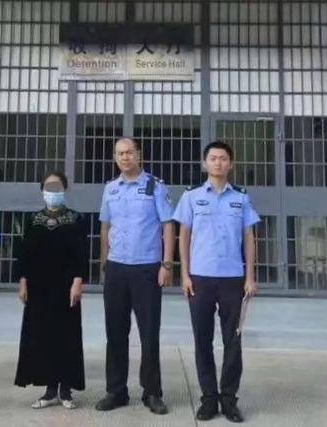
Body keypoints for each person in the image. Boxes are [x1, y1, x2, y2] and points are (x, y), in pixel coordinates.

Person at [173, 141, 260, 423]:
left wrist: (250, 277)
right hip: (200, 277)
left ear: (230, 164)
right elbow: (183, 236)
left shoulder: (241, 198)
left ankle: (229, 400)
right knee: (203, 340)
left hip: (232, 278)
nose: (218, 163)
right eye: (213, 158)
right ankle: (209, 399)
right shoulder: (192, 196)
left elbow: (248, 237)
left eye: (223, 158)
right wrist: (184, 275)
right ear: (204, 163)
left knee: (233, 341)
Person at [95, 137, 174, 415]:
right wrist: (104, 263)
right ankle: (116, 391)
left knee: (149, 333)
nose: (125, 157)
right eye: (120, 153)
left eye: (129, 152)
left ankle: (152, 392)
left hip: (146, 268)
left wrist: (166, 264)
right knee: (115, 332)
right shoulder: (110, 189)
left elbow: (167, 225)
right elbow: (105, 227)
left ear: (138, 154)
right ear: (115, 158)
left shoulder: (155, 186)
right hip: (116, 268)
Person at [14, 172, 87, 410]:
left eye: (57, 187)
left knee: (66, 336)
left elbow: (81, 253)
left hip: (66, 287)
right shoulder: (33, 220)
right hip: (39, 288)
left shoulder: (76, 219)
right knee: (42, 336)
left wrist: (78, 280)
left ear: (65, 189)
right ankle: (49, 391)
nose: (52, 191)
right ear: (42, 190)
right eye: (48, 187)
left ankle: (65, 390)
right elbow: (25, 254)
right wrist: (23, 280)